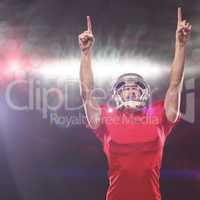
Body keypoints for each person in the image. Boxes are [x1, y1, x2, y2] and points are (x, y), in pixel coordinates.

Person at [78, 7, 192, 200]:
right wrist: (85, 53)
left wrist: (180, 45)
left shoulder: (158, 115)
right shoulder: (107, 117)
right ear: (117, 94)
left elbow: (175, 84)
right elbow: (86, 93)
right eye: (125, 88)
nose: (130, 91)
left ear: (143, 94)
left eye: (135, 88)